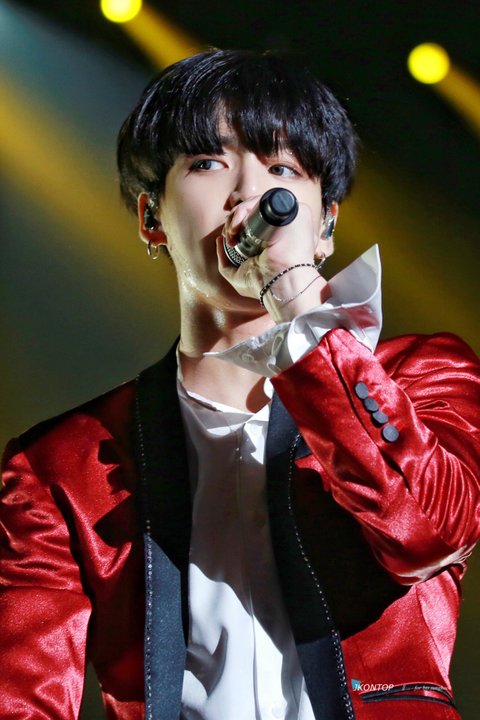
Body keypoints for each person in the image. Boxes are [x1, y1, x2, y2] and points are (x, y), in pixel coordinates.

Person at [1, 48, 479, 720]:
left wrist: (294, 299)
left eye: (283, 170)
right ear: (150, 218)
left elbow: (429, 531)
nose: (250, 195)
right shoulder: (59, 465)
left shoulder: (426, 377)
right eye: (208, 163)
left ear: (326, 224)